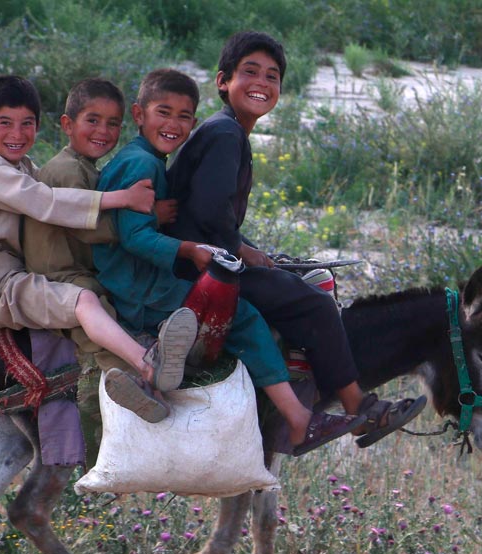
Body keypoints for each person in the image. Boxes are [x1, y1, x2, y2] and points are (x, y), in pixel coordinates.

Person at [166, 31, 427, 447]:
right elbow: (210, 212)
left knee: (292, 277)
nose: (262, 83)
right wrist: (243, 250)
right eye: (249, 72)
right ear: (222, 82)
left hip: (204, 255)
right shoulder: (225, 134)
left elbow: (211, 213)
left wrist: (253, 250)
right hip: (197, 267)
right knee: (315, 304)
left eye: (272, 77)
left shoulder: (225, 131)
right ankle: (358, 409)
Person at [93, 68, 365, 455]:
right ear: (139, 115)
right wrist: (189, 250)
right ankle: (296, 417)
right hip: (140, 287)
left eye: (184, 116)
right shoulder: (142, 165)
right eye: (163, 112)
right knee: (244, 315)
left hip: (138, 278)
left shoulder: (144, 158)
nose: (173, 124)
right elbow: (134, 237)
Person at [0, 75, 197, 433]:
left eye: (27, 124)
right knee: (86, 303)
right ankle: (144, 367)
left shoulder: (23, 168)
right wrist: (128, 202)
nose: (17, 134)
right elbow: (49, 204)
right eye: (5, 124)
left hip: (11, 276)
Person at [20, 78, 195, 445]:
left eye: (112, 124)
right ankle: (138, 378)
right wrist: (151, 219)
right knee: (99, 318)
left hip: (75, 268)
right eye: (92, 120)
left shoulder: (85, 166)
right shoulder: (67, 169)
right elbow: (86, 226)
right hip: (60, 274)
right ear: (67, 125)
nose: (103, 131)